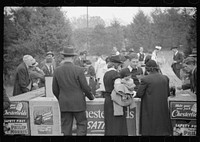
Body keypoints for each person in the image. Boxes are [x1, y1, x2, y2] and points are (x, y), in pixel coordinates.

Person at [52, 46, 94, 136]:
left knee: (66, 127)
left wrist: (61, 98)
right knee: (81, 124)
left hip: (64, 102)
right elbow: (85, 87)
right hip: (78, 102)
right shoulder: (78, 70)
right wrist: (91, 97)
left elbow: (54, 89)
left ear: (64, 56)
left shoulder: (57, 70)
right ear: (73, 57)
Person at [136, 60, 173, 136]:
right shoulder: (165, 78)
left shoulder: (145, 79)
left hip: (149, 108)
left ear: (147, 69)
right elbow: (167, 93)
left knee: (150, 129)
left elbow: (139, 94)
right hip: (163, 107)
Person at [103, 55, 128, 135]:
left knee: (109, 125)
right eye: (119, 65)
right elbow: (118, 89)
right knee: (117, 125)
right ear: (115, 65)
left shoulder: (106, 74)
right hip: (115, 102)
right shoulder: (115, 75)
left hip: (107, 100)